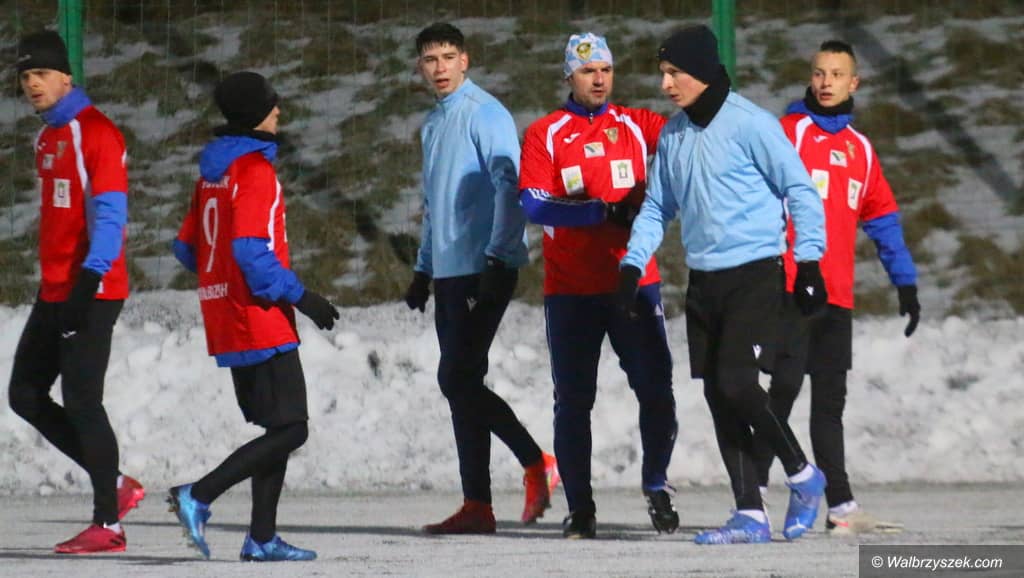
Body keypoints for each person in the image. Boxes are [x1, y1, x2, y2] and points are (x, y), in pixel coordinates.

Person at [620, 25, 829, 544]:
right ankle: (750, 514)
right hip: (704, 280)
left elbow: (800, 190)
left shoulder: (751, 124)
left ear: (702, 71)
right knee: (718, 393)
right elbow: (657, 208)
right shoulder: (673, 136)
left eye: (675, 72)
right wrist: (631, 265)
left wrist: (808, 261)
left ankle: (803, 476)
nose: (666, 84)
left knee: (737, 383)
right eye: (663, 73)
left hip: (754, 274)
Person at [169, 71, 339, 562]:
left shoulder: (211, 173)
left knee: (278, 427)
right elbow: (249, 250)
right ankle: (198, 494)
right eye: (271, 104)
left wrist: (221, 280)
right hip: (258, 315)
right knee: (293, 428)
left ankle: (262, 537)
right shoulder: (255, 171)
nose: (278, 111)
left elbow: (187, 248)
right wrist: (301, 297)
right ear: (255, 113)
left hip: (226, 315)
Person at [751, 39, 919, 535]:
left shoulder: (860, 150)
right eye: (819, 72)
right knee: (781, 391)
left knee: (829, 403)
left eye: (837, 74)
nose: (826, 82)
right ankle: (751, 496)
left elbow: (882, 218)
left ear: (853, 83)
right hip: (789, 286)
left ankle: (841, 506)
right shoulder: (789, 133)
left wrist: (905, 281)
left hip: (836, 294)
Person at [518, 32, 678, 539]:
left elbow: (689, 139)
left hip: (634, 282)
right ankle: (580, 508)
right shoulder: (545, 133)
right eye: (588, 71)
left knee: (657, 390)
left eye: (606, 69)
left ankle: (656, 485)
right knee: (573, 401)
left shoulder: (637, 123)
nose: (599, 79)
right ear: (569, 76)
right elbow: (534, 204)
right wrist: (601, 211)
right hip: (571, 289)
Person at [404, 22, 559, 535]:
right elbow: (434, 204)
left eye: (449, 57)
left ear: (465, 60)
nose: (440, 68)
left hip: (484, 267)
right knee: (462, 386)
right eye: (431, 60)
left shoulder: (485, 113)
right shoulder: (433, 124)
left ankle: (536, 460)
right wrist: (423, 268)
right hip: (449, 271)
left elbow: (509, 185)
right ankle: (477, 505)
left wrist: (498, 256)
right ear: (421, 66)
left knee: (456, 378)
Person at [7, 29, 145, 554]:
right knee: (25, 394)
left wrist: (88, 281)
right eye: (25, 76)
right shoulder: (47, 138)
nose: (32, 84)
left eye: (41, 73)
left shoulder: (97, 133)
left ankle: (108, 525)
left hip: (92, 288)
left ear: (67, 76)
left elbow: (110, 215)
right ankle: (116, 483)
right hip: (56, 289)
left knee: (83, 400)